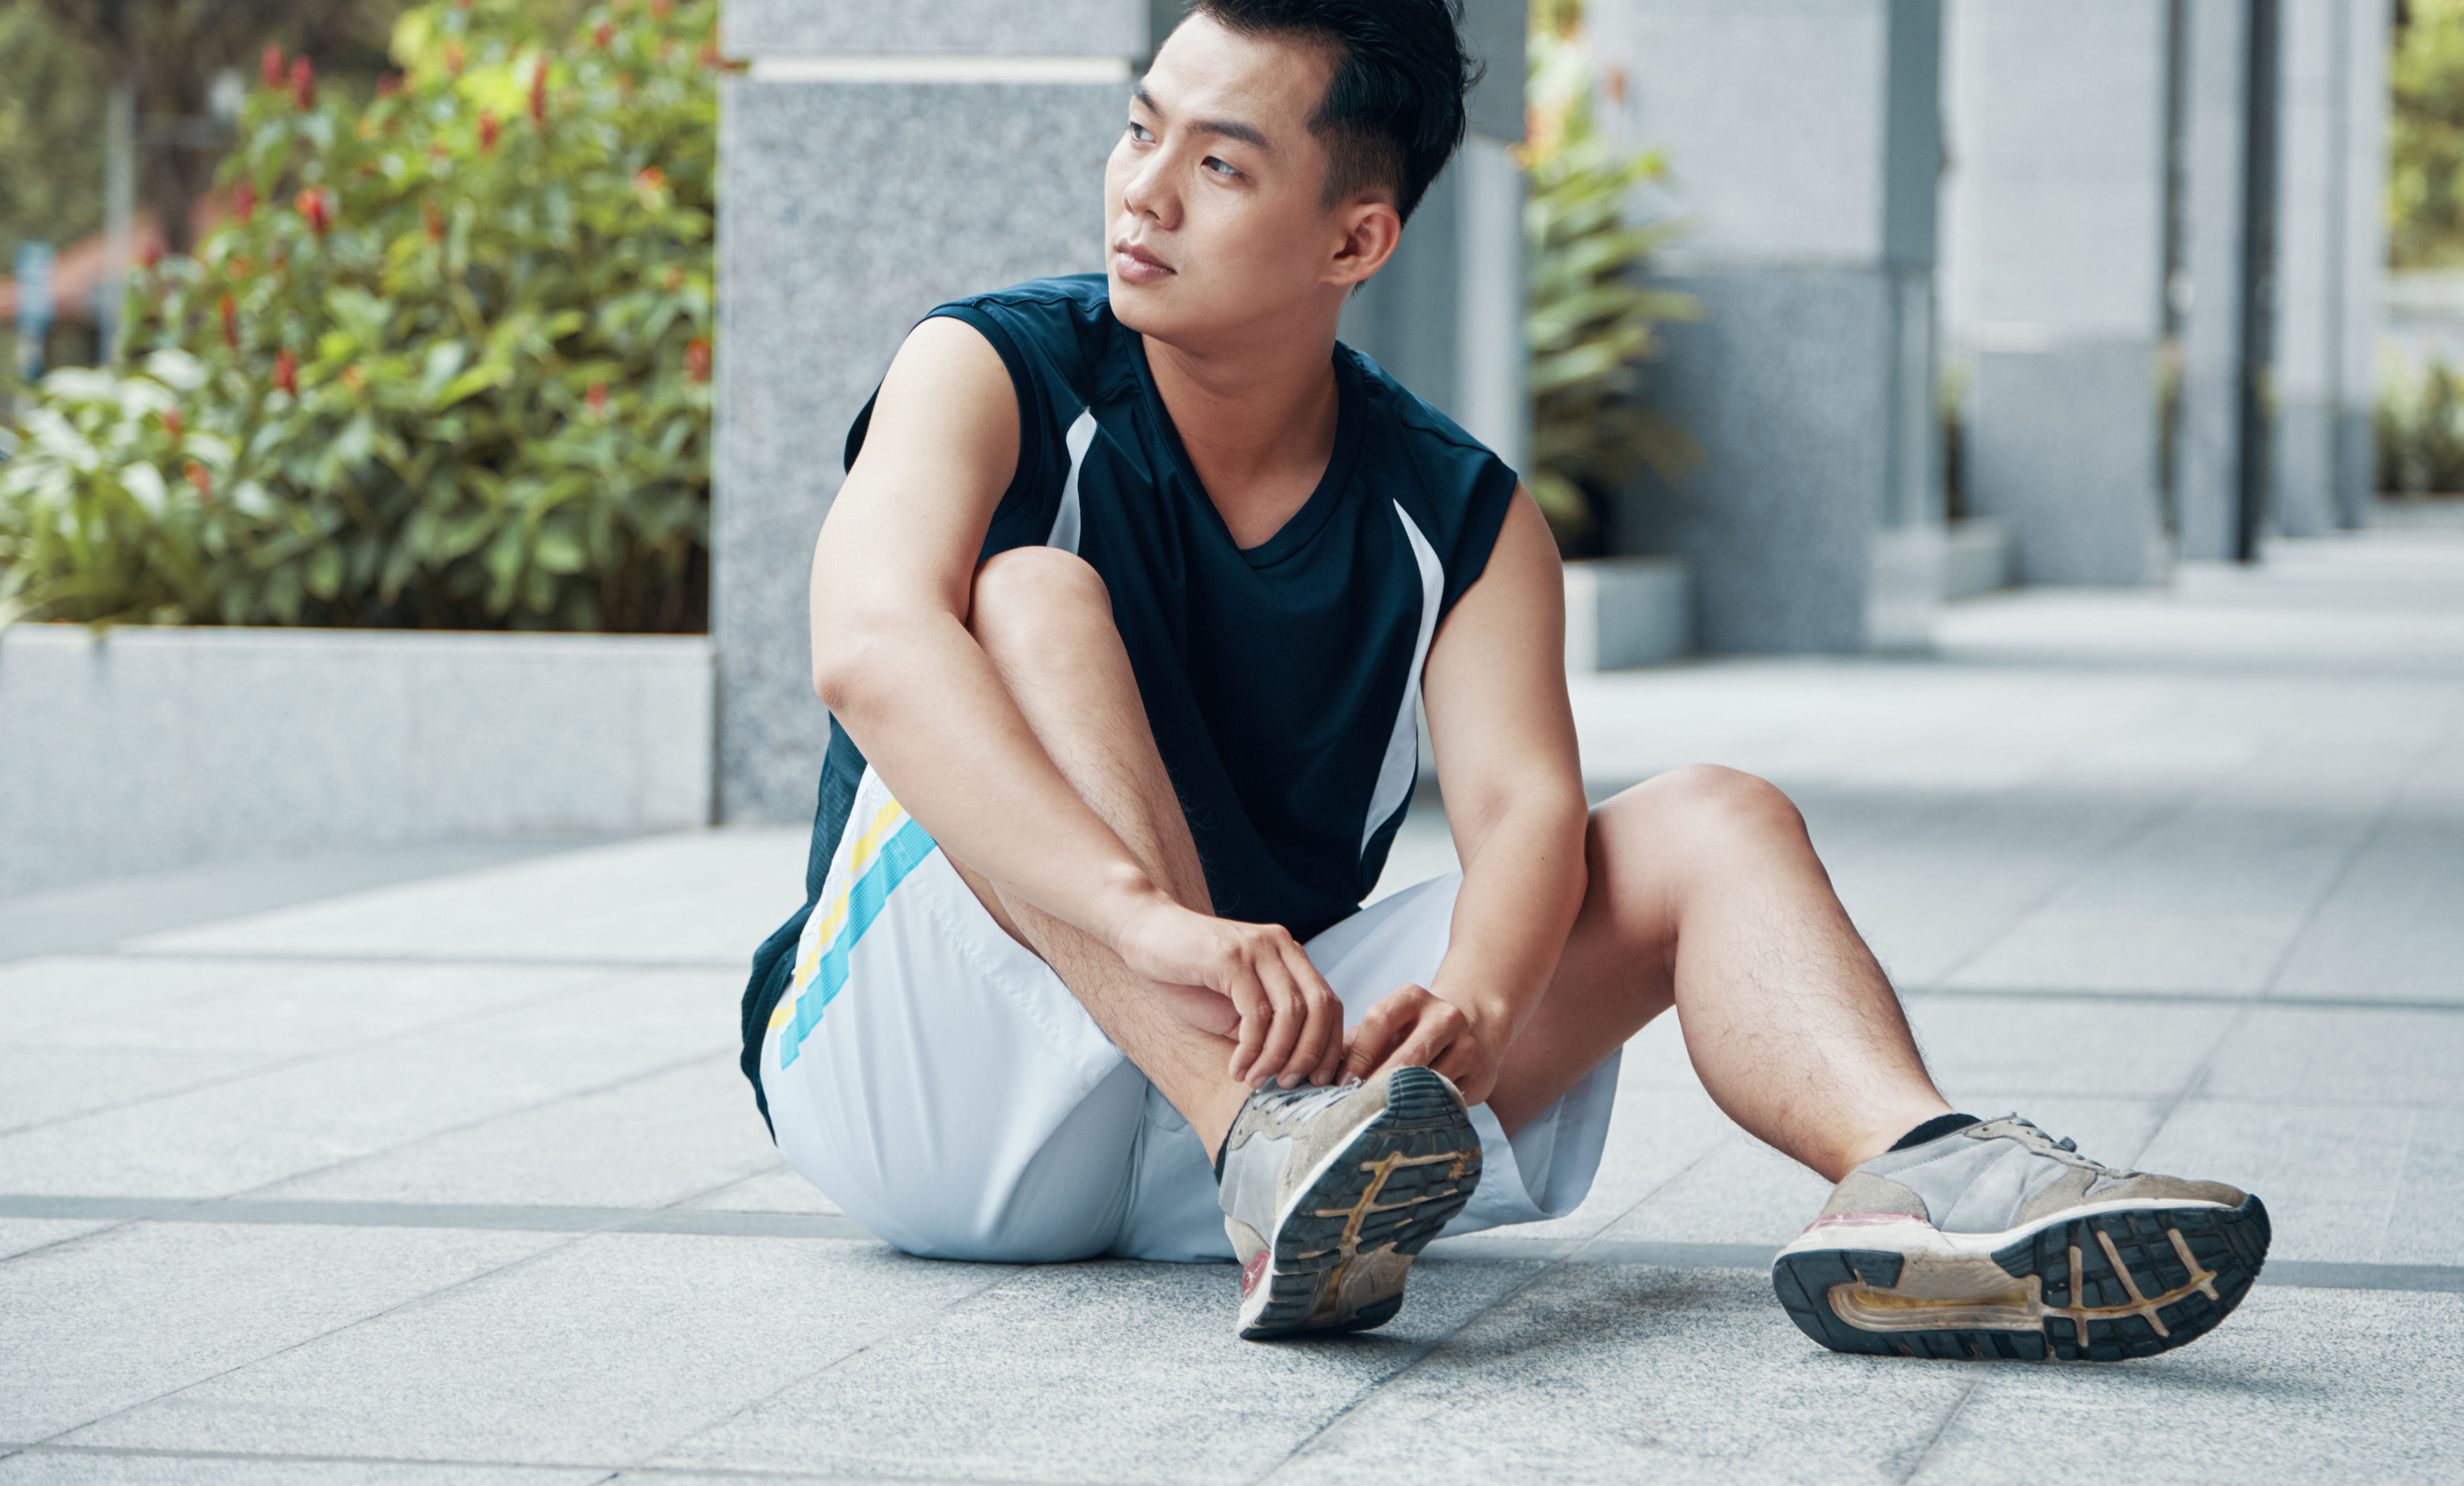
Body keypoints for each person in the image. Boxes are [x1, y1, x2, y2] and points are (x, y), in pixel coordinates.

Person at [739, 0, 2271, 1359]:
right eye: (1142, 129)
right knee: (1027, 594)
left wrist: (1477, 1002)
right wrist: (1148, 921)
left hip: (1290, 1123)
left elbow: (1526, 805)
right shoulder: (993, 367)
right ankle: (1260, 1142)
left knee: (1712, 820)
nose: (1141, 190)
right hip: (934, 1080)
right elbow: (867, 647)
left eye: (1217, 163)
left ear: (1357, 240)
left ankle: (1936, 1188)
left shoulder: (1457, 512)